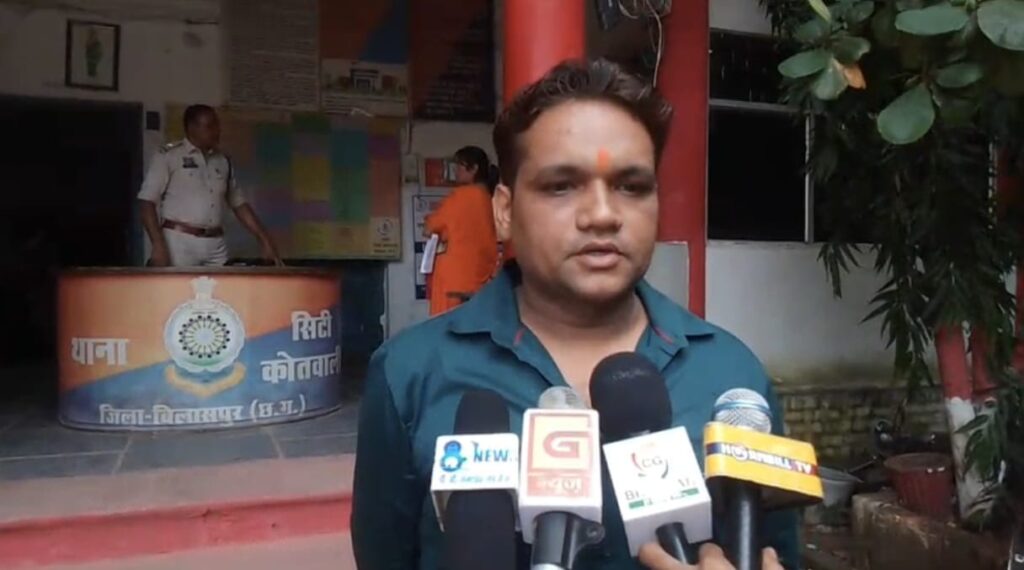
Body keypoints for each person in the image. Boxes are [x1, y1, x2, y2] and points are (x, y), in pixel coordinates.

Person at [351, 59, 798, 570]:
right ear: (504, 210)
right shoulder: (409, 373)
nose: (603, 214)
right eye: (562, 185)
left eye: (631, 186)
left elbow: (777, 551)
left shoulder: (733, 377)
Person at [137, 104, 281, 267]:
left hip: (216, 245)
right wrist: (158, 245)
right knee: (180, 284)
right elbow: (146, 203)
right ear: (192, 128)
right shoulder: (169, 156)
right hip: (178, 243)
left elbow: (239, 204)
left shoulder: (223, 160)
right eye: (210, 126)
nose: (217, 131)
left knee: (222, 284)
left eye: (217, 125)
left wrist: (264, 239)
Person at [423, 145, 500, 315]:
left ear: (474, 169)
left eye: (459, 166)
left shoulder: (460, 196)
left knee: (446, 326)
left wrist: (430, 221)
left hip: (453, 279)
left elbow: (430, 228)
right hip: (481, 279)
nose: (455, 171)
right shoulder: (491, 199)